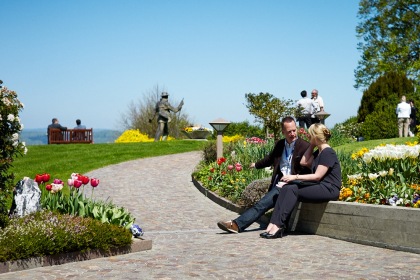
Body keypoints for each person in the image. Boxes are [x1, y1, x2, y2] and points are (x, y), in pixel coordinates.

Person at [217, 117, 312, 234]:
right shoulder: (280, 144)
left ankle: (237, 224)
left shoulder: (305, 146)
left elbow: (310, 169)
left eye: (294, 130)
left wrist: (295, 180)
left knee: (261, 204)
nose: (293, 134)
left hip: (293, 185)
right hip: (280, 183)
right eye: (289, 132)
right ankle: (239, 225)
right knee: (263, 204)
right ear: (283, 132)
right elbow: (270, 159)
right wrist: (256, 165)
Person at [260, 123, 342, 239]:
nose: (308, 137)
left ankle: (279, 226)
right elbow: (303, 162)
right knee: (286, 187)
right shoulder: (319, 152)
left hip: (329, 188)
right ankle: (272, 224)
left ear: (315, 136)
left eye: (310, 135)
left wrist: (295, 177)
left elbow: (317, 176)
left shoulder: (328, 152)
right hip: (320, 186)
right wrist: (312, 145)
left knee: (292, 189)